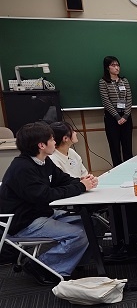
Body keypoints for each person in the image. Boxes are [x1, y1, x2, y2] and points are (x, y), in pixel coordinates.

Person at [0, 122, 98, 284]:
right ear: (41, 145)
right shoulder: (23, 168)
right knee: (79, 234)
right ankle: (41, 266)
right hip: (24, 222)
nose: (54, 142)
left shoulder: (44, 161)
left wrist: (82, 181)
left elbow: (63, 180)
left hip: (42, 213)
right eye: (52, 139)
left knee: (91, 222)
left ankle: (72, 263)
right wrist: (81, 187)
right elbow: (46, 195)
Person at [98, 55, 133, 166]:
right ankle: (117, 168)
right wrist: (117, 117)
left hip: (126, 116)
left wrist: (125, 116)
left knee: (127, 145)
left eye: (118, 65)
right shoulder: (103, 82)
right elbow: (106, 101)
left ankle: (129, 167)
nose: (116, 68)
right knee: (114, 146)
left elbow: (129, 98)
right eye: (113, 65)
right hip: (112, 118)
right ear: (107, 67)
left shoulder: (124, 81)